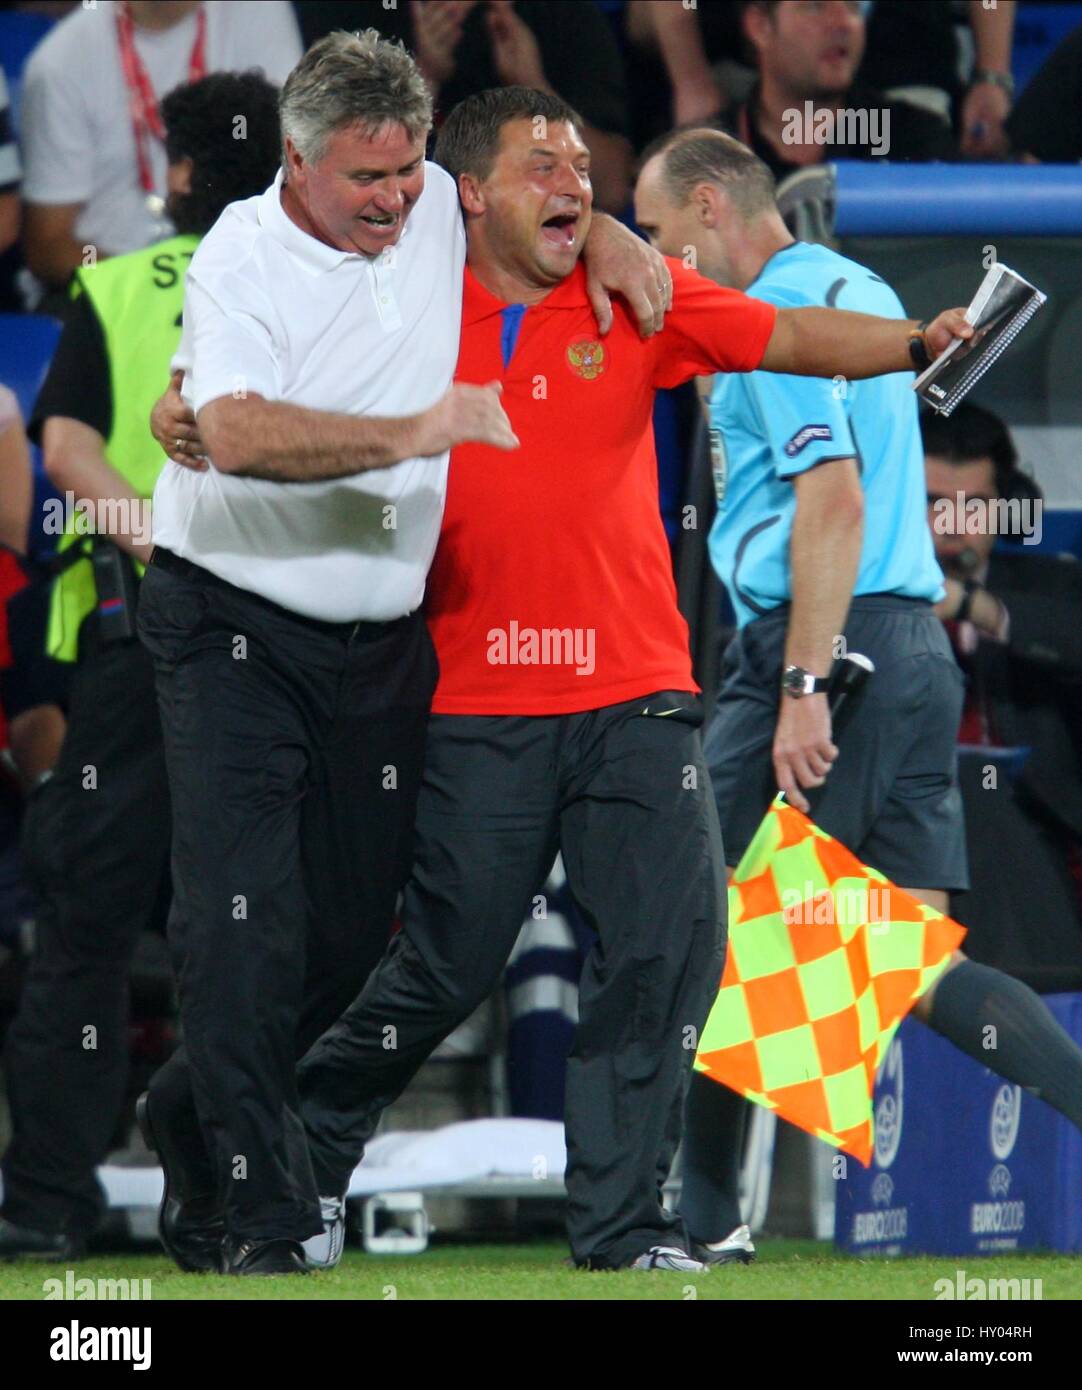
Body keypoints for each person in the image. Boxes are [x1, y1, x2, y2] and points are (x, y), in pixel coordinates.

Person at [217, 87, 970, 1274]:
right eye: (539, 164)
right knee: (445, 963)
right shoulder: (400, 306)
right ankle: (298, 1167)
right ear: (467, 191)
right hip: (474, 698)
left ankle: (624, 1227)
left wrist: (912, 344)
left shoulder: (636, 295)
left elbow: (781, 336)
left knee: (668, 948)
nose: (572, 181)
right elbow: (278, 357)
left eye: (581, 163)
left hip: (634, 692)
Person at [138, 30, 675, 1278]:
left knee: (348, 938)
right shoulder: (238, 253)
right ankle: (262, 1218)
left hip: (380, 647)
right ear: (294, 158)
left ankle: (190, 1108)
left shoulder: (439, 199)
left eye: (407, 171)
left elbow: (540, 198)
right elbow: (237, 432)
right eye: (363, 178)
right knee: (244, 923)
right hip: (229, 624)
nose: (394, 200)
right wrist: (420, 426)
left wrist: (608, 232)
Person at [633, 124, 1082, 1266]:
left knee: (706, 916)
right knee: (906, 964)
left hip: (827, 648)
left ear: (706, 209)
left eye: (653, 231)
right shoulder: (860, 289)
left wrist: (799, 684)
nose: (649, 259)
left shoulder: (775, 321)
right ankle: (707, 1219)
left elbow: (827, 501)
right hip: (909, 647)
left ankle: (695, 1221)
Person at [0, 70, 283, 1263]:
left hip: (135, 653)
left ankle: (48, 1205)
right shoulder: (323, 286)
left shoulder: (114, 285)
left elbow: (60, 444)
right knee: (262, 928)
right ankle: (238, 1195)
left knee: (83, 930)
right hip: (285, 655)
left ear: (171, 172)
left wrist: (163, 554)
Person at [923, 402, 1082, 981]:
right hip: (894, 832)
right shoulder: (856, 595)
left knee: (979, 797)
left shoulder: (1052, 584)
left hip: (1026, 835)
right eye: (933, 503)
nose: (954, 526)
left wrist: (976, 608)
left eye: (975, 507)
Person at [19, 0, 301, 298]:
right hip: (116, 290)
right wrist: (155, 285)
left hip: (242, 274)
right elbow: (48, 246)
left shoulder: (259, 10)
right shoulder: (60, 62)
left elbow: (289, 166)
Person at [292, 0, 633, 213]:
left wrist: (532, 84)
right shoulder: (356, 18)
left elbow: (611, 186)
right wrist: (424, 81)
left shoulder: (560, 15)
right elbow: (337, 183)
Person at [718, 0, 955, 185]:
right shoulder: (708, 156)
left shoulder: (916, 141)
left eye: (854, 5)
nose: (844, 23)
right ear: (760, 26)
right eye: (815, 6)